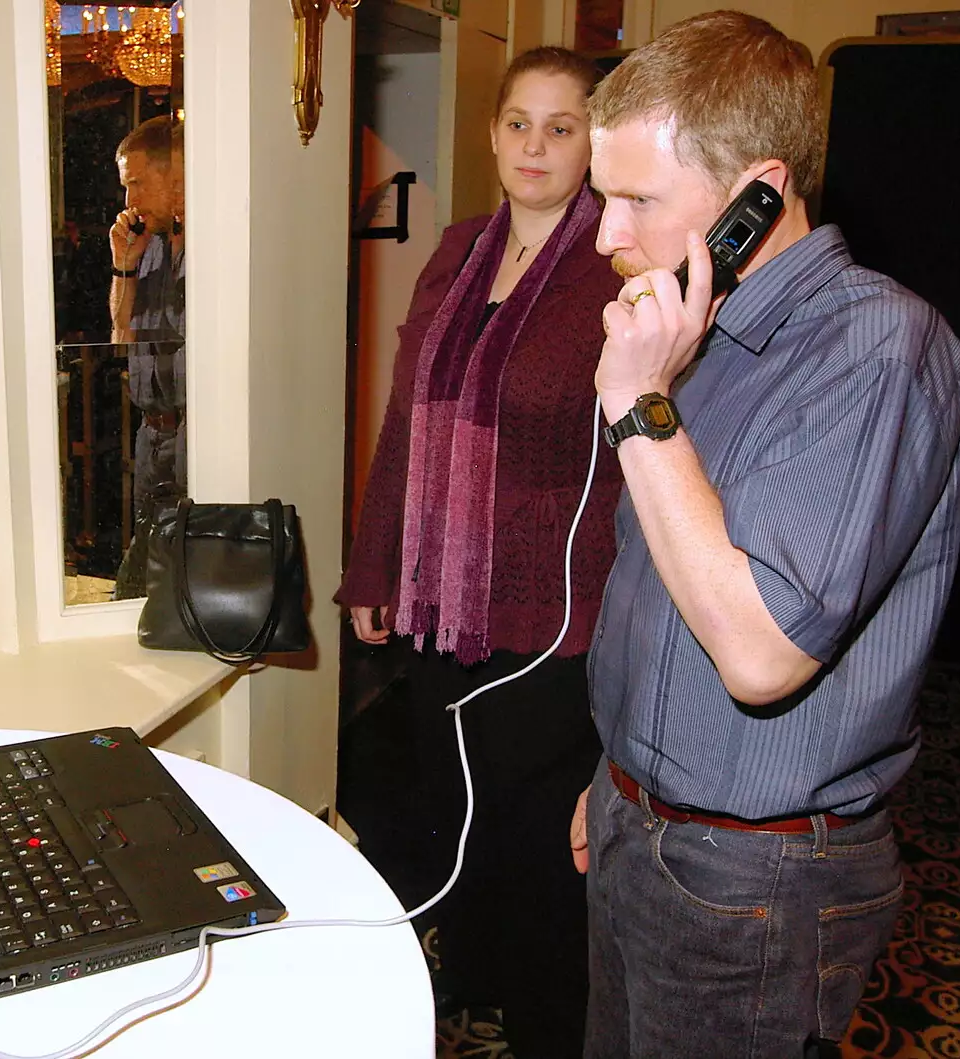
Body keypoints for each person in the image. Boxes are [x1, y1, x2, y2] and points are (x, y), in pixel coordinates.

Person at [569, 12, 960, 1058]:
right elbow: (662, 586)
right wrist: (617, 776)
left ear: (759, 192)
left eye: (634, 200)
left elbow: (756, 654)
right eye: (599, 195)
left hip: (749, 878)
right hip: (642, 823)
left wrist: (637, 408)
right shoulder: (693, 329)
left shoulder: (877, 351)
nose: (603, 235)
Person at [336, 47, 624, 1057]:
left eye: (561, 126)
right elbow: (404, 420)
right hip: (435, 598)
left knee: (545, 849)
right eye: (517, 123)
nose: (534, 146)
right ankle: (477, 983)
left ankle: (548, 1025)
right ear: (492, 131)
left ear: (599, 138)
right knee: (452, 808)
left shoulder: (620, 265)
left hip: (555, 615)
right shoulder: (458, 247)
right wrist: (375, 566)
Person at [108, 115, 185, 599]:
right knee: (144, 568)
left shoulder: (215, 246)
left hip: (193, 430)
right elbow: (119, 338)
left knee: (186, 562)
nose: (129, 201)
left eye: (136, 184)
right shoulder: (146, 247)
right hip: (149, 433)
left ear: (174, 178)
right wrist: (124, 268)